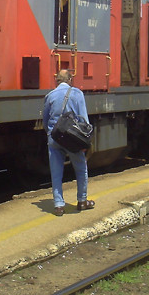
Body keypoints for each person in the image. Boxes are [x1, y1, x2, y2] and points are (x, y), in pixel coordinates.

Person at [42, 69, 95, 216]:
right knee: (81, 168)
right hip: (72, 139)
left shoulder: (50, 96)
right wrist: (85, 141)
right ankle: (82, 201)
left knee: (56, 172)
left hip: (55, 138)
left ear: (56, 81)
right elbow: (84, 120)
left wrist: (52, 134)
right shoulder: (77, 94)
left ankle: (59, 206)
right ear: (70, 80)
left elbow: (45, 121)